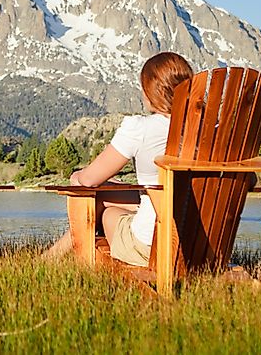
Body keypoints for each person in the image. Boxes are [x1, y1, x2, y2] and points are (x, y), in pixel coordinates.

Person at [44, 52, 193, 266]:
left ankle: (56, 260)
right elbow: (249, 181)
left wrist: (76, 175)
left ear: (153, 90)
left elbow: (87, 181)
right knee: (111, 193)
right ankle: (52, 256)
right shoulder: (213, 133)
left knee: (106, 210)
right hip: (205, 244)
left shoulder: (140, 128)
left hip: (152, 246)